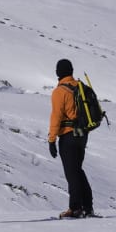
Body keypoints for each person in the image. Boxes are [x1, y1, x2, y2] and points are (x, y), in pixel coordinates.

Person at [48, 58, 94, 218]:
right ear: (71, 71)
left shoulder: (60, 91)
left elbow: (56, 117)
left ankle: (75, 208)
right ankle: (88, 207)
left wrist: (52, 140)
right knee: (78, 170)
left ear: (58, 72)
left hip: (68, 135)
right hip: (82, 135)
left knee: (72, 173)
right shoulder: (80, 87)